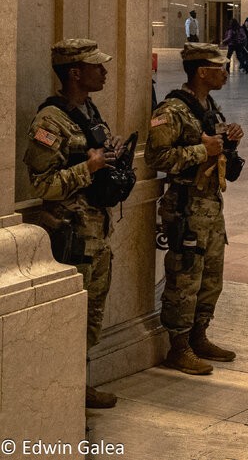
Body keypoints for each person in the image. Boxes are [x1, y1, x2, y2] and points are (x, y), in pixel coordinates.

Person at [24, 39, 127, 408]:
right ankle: (59, 399)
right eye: (96, 66)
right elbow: (44, 184)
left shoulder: (88, 111)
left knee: (91, 317)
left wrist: (110, 155)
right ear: (75, 72)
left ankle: (78, 387)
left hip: (96, 233)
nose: (104, 72)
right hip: (72, 237)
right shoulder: (49, 122)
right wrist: (91, 167)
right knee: (68, 322)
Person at [148, 43, 246, 376]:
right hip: (186, 206)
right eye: (220, 67)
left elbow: (215, 148)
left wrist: (229, 141)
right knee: (184, 276)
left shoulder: (208, 106)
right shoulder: (171, 110)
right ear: (202, 71)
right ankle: (179, 348)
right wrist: (200, 151)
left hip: (209, 205)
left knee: (210, 276)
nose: (226, 72)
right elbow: (156, 158)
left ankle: (199, 335)